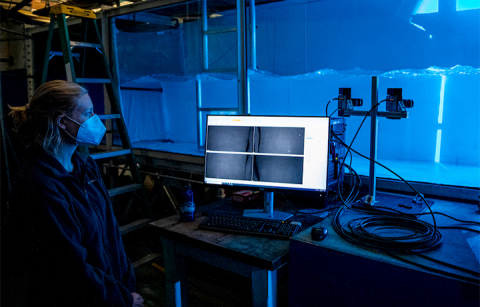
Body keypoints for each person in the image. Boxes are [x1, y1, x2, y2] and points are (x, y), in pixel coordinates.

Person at [8, 80, 144, 307]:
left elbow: (111, 233)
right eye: (88, 113)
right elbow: (70, 267)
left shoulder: (86, 166)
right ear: (62, 122)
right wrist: (120, 299)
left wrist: (125, 286)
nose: (95, 120)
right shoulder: (39, 184)